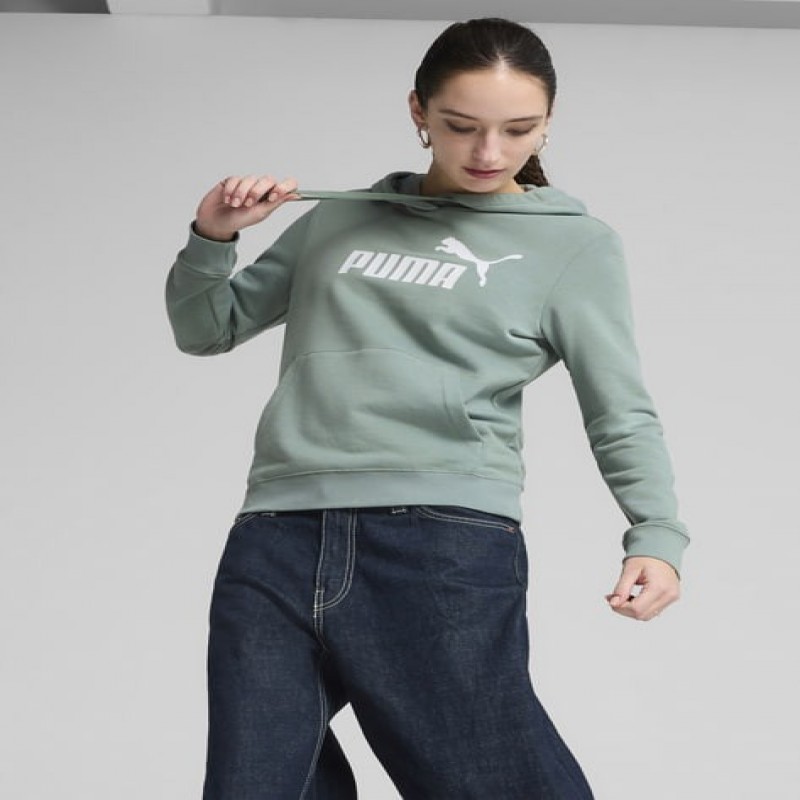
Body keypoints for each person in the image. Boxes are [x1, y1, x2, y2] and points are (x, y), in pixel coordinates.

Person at [165, 16, 689, 800]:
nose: (489, 152)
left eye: (518, 130)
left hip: (440, 540)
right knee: (256, 785)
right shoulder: (339, 217)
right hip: (276, 536)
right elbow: (208, 330)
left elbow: (619, 406)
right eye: (461, 126)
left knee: (489, 781)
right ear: (419, 112)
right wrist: (213, 237)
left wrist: (656, 533)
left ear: (548, 123)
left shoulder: (574, 246)